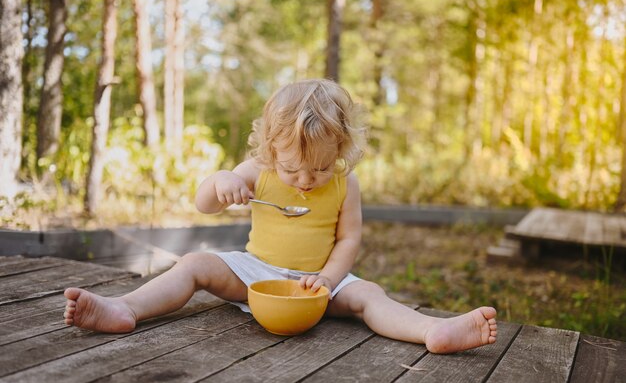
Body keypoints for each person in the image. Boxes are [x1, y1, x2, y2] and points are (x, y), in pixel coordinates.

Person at [64, 79, 497, 354]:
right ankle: (123, 309)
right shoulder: (258, 171)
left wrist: (328, 280)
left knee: (372, 295)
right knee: (195, 264)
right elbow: (203, 205)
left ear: (342, 151)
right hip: (256, 274)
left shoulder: (346, 183)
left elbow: (348, 240)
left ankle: (431, 332)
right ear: (271, 150)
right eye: (293, 169)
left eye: (321, 168)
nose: (307, 180)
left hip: (320, 283)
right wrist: (220, 182)